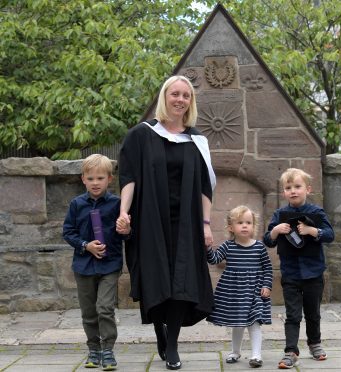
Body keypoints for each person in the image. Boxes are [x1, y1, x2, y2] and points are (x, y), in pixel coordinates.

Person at [116, 75, 216, 370]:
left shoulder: (197, 140)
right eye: (175, 94)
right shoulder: (142, 134)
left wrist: (206, 224)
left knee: (181, 281)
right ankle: (159, 327)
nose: (180, 99)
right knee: (155, 276)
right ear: (165, 97)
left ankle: (172, 344)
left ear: (191, 102)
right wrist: (124, 213)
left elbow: (205, 187)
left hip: (185, 221)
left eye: (186, 95)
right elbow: (129, 177)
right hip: (150, 219)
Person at [63, 154, 131, 371]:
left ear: (109, 179)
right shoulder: (76, 205)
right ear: (83, 179)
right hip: (83, 266)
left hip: (109, 265)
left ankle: (108, 349)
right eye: (90, 178)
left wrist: (127, 230)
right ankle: (94, 349)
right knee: (89, 311)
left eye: (100, 178)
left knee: (104, 308)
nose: (95, 182)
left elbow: (125, 235)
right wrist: (86, 245)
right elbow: (68, 232)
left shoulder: (117, 205)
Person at [263, 168, 334, 369]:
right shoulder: (280, 215)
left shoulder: (316, 213)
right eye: (288, 188)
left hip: (313, 272)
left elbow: (330, 235)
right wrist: (276, 231)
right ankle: (291, 351)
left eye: (297, 186)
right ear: (284, 192)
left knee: (313, 312)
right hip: (291, 273)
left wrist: (312, 231)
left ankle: (315, 343)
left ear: (307, 189)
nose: (293, 191)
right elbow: (268, 241)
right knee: (293, 314)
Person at [206, 205, 273, 369]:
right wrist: (207, 247)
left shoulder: (259, 247)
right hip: (234, 292)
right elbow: (214, 259)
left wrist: (267, 285)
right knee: (238, 323)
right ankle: (235, 352)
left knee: (254, 322)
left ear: (253, 226)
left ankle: (256, 355)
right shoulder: (228, 246)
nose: (245, 225)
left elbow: (267, 268)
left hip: (254, 291)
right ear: (231, 227)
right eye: (240, 222)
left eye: (248, 222)